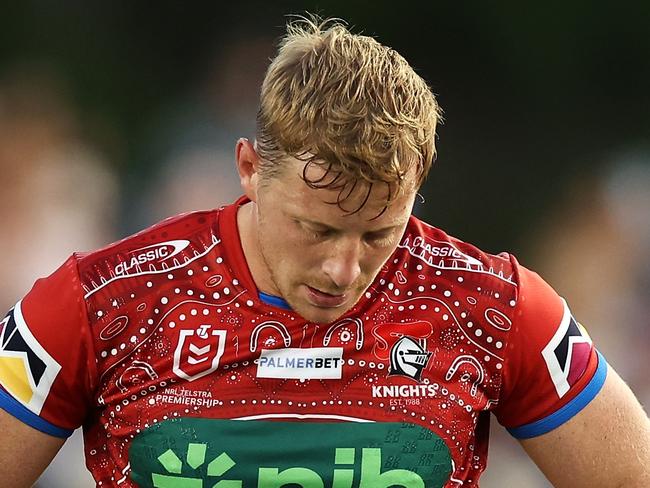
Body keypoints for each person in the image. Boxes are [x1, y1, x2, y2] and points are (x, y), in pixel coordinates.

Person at [1, 17, 648, 488]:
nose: (344, 271)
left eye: (377, 236)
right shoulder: (99, 300)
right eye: (315, 229)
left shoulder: (495, 305)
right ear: (249, 169)